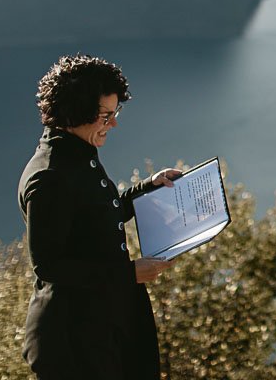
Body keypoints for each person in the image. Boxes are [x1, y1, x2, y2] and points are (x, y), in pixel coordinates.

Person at [18, 54, 182, 379]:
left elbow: (97, 216)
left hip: (98, 325)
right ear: (76, 111)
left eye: (114, 112)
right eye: (106, 115)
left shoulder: (77, 154)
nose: (114, 123)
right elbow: (48, 266)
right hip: (72, 340)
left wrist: (150, 187)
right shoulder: (49, 176)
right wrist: (129, 273)